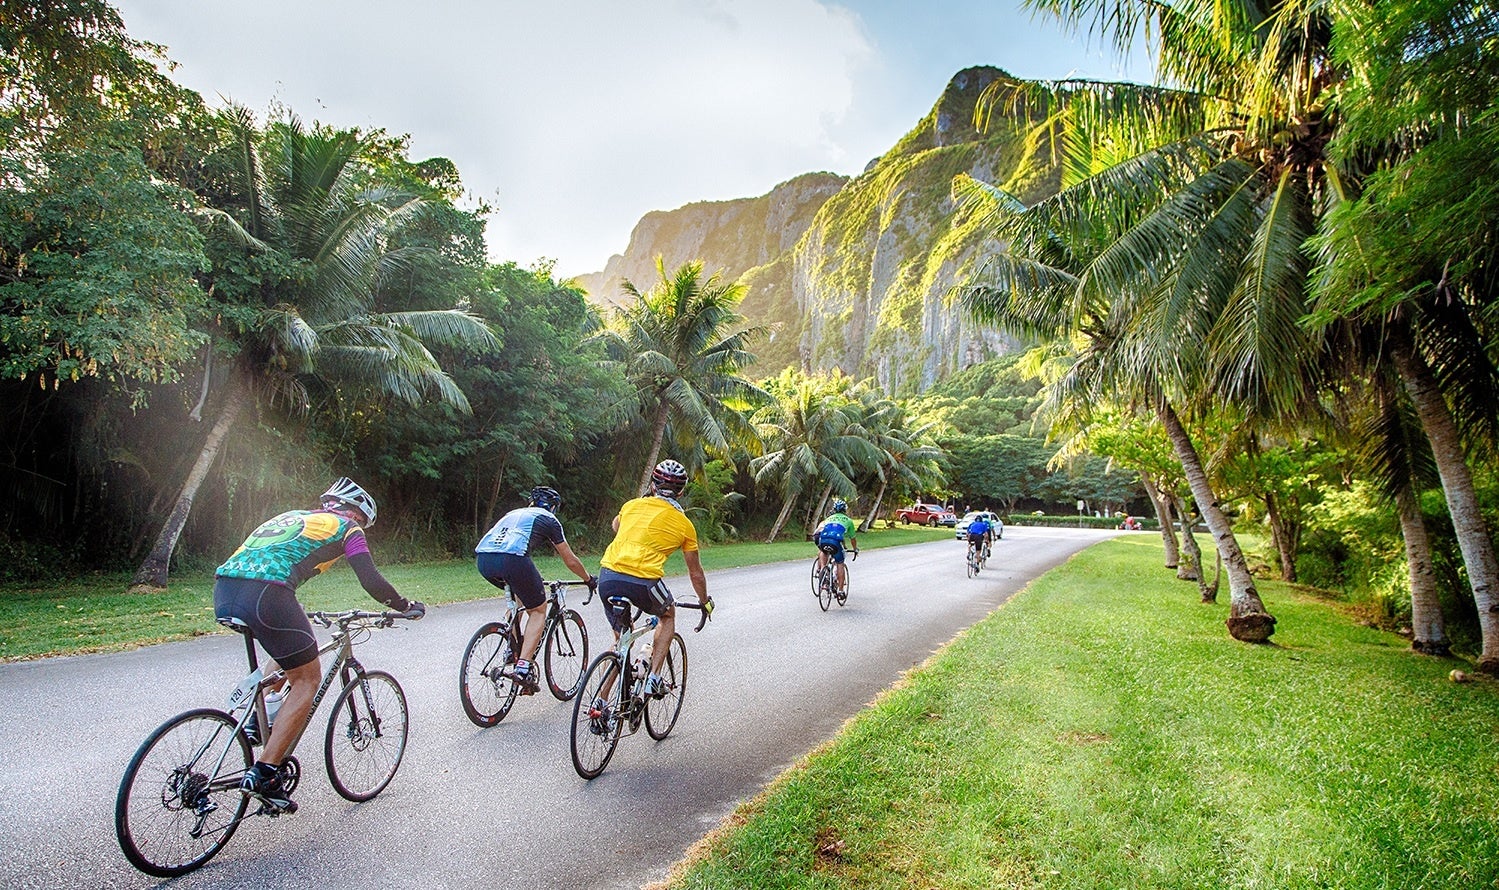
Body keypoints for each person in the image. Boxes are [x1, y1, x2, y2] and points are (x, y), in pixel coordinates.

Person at [213, 478, 423, 814]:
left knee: (289, 651)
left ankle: (257, 720)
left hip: (224, 589)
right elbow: (369, 578)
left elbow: (267, 557)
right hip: (268, 593)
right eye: (363, 521)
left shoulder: (295, 516)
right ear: (356, 514)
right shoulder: (348, 528)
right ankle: (266, 773)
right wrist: (403, 605)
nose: (361, 526)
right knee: (307, 679)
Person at [595, 459, 711, 701]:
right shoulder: (684, 524)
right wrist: (704, 601)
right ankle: (654, 678)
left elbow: (616, 526)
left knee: (621, 640)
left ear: (652, 485)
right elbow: (695, 572)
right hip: (644, 581)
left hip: (607, 576)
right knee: (667, 615)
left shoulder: (631, 505)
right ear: (681, 491)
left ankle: (601, 702)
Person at [474, 486, 596, 694]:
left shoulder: (513, 513)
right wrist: (588, 579)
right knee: (538, 610)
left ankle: (512, 648)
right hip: (512, 559)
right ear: (553, 507)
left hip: (484, 559)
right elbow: (570, 560)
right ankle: (523, 667)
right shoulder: (549, 519)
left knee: (519, 599)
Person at [813, 500, 859, 595]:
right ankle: (841, 591)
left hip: (823, 539)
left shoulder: (828, 518)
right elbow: (852, 539)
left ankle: (823, 571)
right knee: (840, 563)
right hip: (835, 542)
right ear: (845, 510)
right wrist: (855, 549)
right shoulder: (848, 521)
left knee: (823, 552)